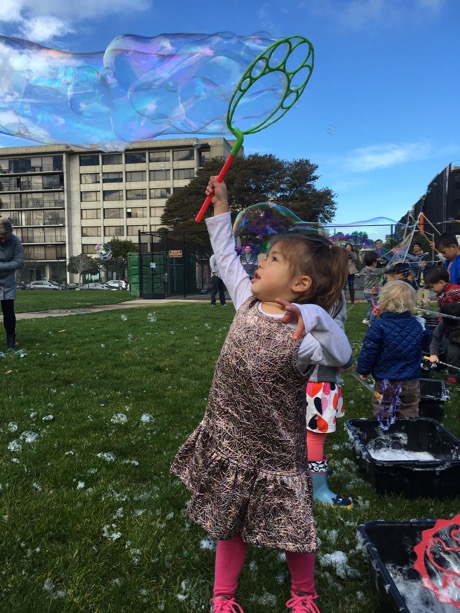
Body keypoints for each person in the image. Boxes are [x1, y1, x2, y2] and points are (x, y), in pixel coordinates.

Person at [171, 177, 353, 613]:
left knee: (295, 528)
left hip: (277, 451)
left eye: (272, 260)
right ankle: (222, 596)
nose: (258, 262)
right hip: (232, 440)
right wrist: (221, 207)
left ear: (300, 284)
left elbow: (343, 355)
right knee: (229, 526)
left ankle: (303, 596)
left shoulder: (305, 334)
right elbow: (227, 255)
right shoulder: (245, 302)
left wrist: (313, 316)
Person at [357, 280, 432, 420]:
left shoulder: (379, 326)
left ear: (384, 302)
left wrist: (363, 370)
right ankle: (408, 431)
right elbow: (427, 341)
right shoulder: (418, 325)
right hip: (411, 379)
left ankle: (384, 432)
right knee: (409, 407)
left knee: (384, 407)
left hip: (386, 379)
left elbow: (369, 352)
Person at [306, 293, 353, 509]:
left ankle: (311, 467)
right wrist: (346, 358)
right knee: (315, 436)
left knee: (306, 432)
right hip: (319, 380)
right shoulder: (328, 296)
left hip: (308, 377)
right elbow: (332, 339)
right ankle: (317, 488)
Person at [0, 218, 24, 350]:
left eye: (6, 238)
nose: (3, 241)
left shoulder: (15, 241)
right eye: (0, 238)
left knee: (8, 310)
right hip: (8, 274)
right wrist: (8, 265)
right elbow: (13, 263)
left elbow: (19, 262)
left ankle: (11, 342)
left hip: (8, 282)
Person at [361, 252, 383, 324]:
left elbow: (361, 273)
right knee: (375, 307)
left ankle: (367, 319)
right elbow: (385, 269)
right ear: (374, 263)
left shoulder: (364, 269)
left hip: (366, 292)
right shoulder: (375, 270)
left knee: (372, 306)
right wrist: (393, 264)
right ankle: (372, 322)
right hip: (372, 293)